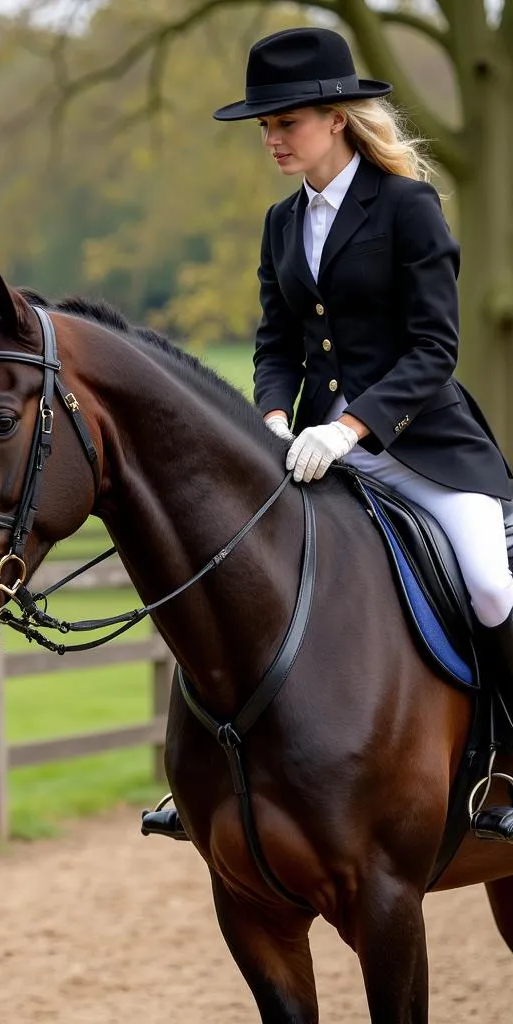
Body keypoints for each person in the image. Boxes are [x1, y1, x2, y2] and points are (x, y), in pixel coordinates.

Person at [213, 27, 513, 841]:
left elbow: (434, 350)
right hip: (313, 451)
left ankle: (505, 766)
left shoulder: (407, 207)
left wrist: (348, 427)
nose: (273, 139)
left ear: (338, 118)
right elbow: (276, 345)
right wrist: (274, 416)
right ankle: (219, 773)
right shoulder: (282, 224)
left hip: (423, 453)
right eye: (266, 127)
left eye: (288, 122)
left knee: (490, 586)